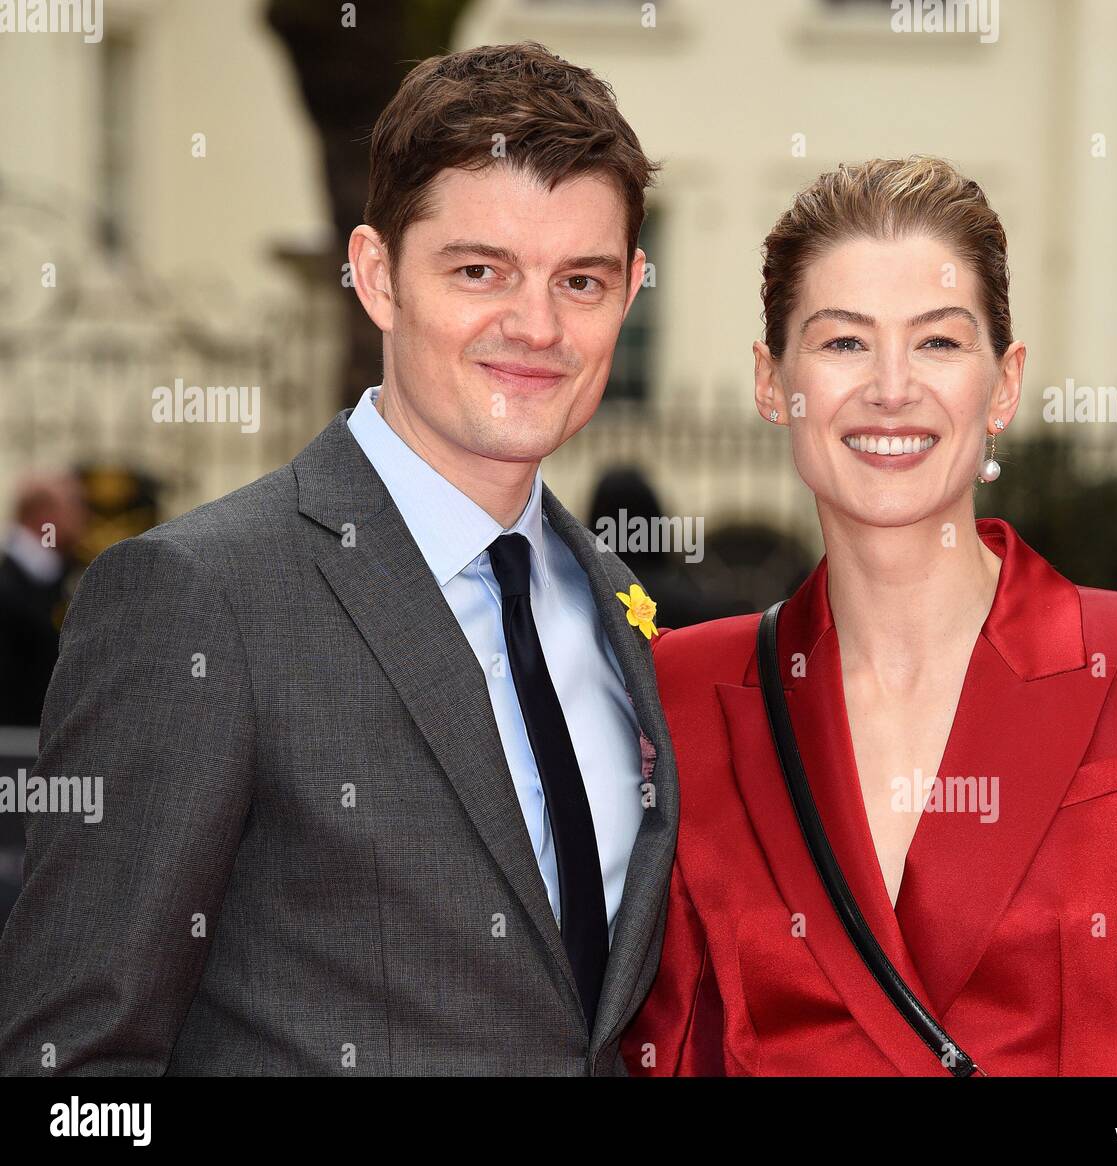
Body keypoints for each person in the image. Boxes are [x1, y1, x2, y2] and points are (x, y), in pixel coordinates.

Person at [0, 42, 677, 1076]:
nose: (535, 325)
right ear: (375, 275)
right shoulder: (199, 600)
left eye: (579, 279)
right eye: (479, 269)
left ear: (629, 290)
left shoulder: (616, 602)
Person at [622, 156, 1117, 1077]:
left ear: (1003, 384)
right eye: (843, 342)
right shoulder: (684, 689)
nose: (892, 386)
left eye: (938, 342)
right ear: (773, 383)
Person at [0, 471, 87, 728]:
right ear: (43, 515)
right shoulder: (14, 589)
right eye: (75, 505)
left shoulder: (55, 576)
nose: (83, 517)